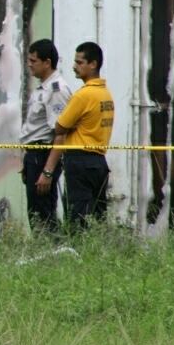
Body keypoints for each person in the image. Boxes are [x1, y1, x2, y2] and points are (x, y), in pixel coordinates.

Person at [37, 41, 114, 229]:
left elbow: (60, 126)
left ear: (93, 64)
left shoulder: (83, 95)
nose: (74, 66)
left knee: (77, 218)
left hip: (80, 161)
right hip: (99, 162)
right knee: (97, 217)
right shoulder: (105, 94)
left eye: (80, 62)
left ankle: (78, 253)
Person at [21, 39, 72, 233]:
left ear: (47, 62)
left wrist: (47, 171)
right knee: (36, 211)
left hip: (44, 155)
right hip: (34, 155)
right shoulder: (43, 87)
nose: (29, 64)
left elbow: (60, 134)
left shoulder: (56, 90)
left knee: (43, 214)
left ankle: (51, 254)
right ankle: (45, 253)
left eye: (33, 60)